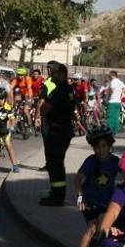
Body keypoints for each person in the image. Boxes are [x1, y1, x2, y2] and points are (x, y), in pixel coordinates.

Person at [70, 125, 119, 247]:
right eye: (97, 147)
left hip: (107, 203)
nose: (100, 150)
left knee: (103, 229)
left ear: (109, 145)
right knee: (92, 228)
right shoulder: (91, 161)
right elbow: (78, 179)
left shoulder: (116, 162)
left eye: (103, 146)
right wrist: (80, 196)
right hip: (89, 201)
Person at [38, 63, 77, 206]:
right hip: (64, 129)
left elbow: (44, 109)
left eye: (54, 72)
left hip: (58, 130)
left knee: (55, 164)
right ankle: (57, 193)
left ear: (62, 74)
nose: (51, 75)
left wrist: (44, 109)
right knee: (57, 163)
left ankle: (57, 196)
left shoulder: (59, 90)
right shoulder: (69, 89)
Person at [105, 70, 125, 134]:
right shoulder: (120, 81)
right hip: (118, 102)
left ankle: (110, 130)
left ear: (112, 75)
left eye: (109, 75)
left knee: (110, 117)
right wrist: (121, 94)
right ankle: (115, 131)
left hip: (112, 102)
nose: (108, 77)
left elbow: (112, 89)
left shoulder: (113, 82)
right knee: (116, 117)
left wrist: (109, 97)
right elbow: (124, 87)